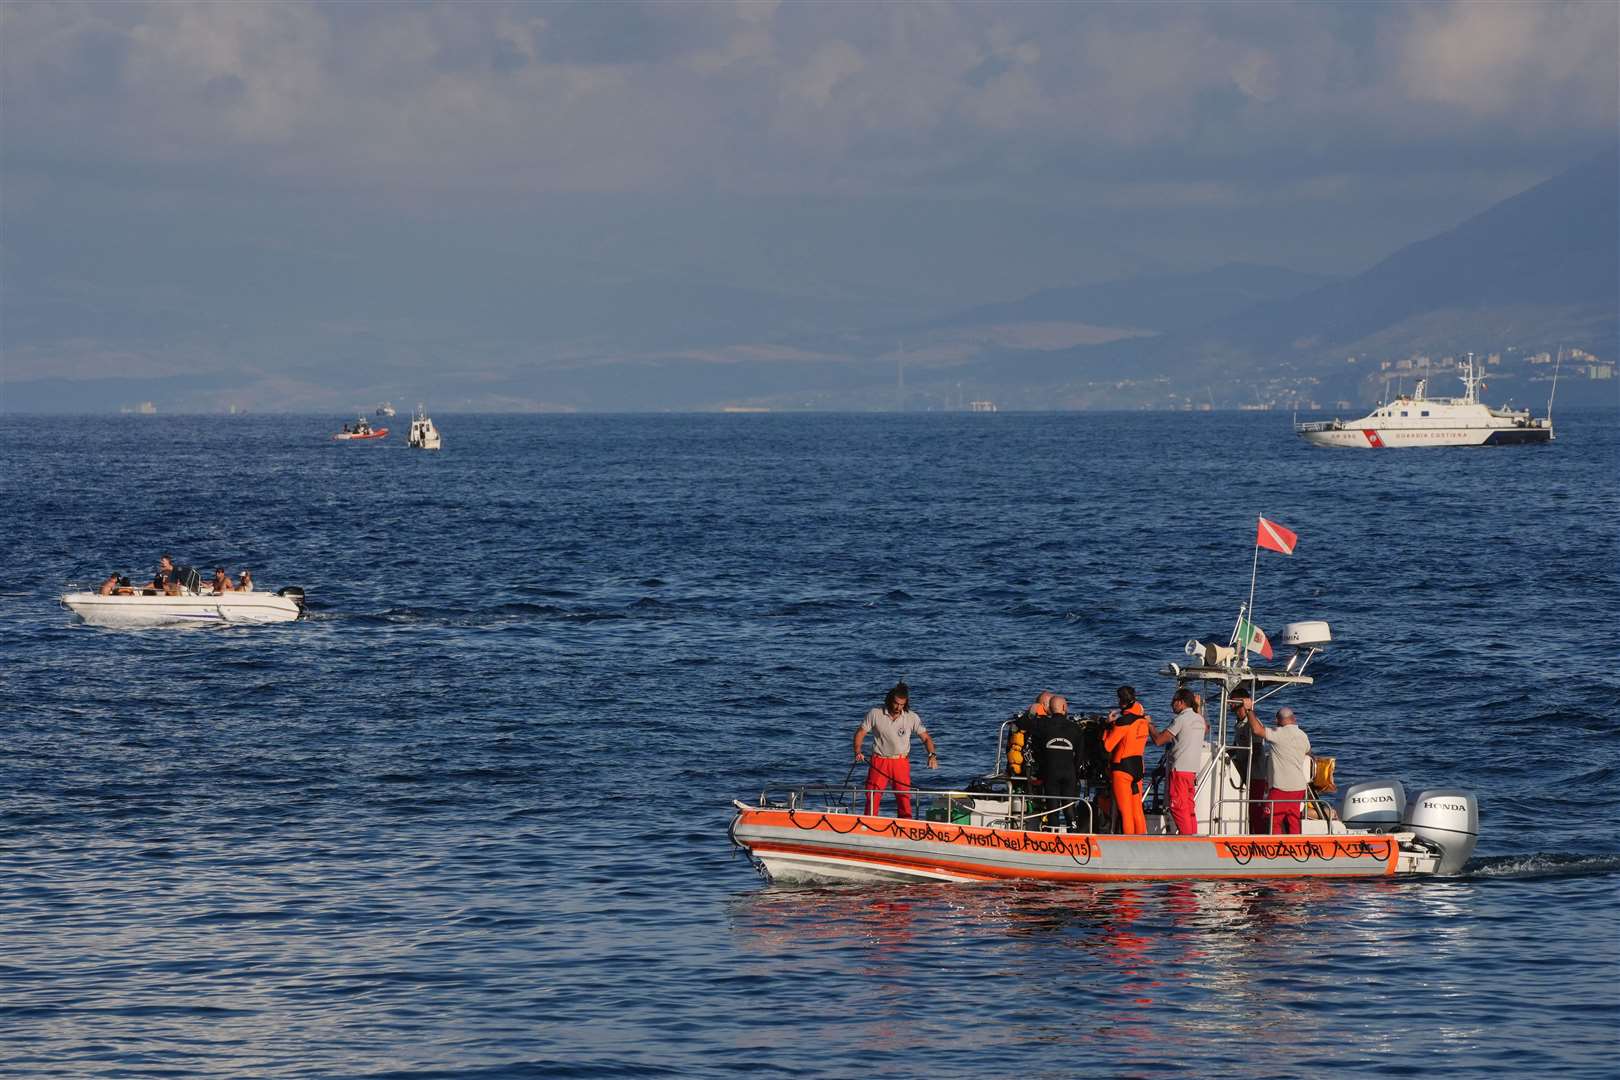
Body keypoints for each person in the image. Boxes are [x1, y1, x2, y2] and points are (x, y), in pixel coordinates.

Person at [852, 682, 938, 818]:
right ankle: (868, 823)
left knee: (904, 796)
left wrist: (932, 755)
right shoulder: (875, 713)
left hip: (900, 762)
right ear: (890, 700)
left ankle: (906, 825)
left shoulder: (912, 717)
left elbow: (926, 738)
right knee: (872, 795)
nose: (898, 707)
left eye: (902, 705)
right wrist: (857, 751)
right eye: (896, 703)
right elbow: (860, 733)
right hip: (879, 761)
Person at [1244, 706, 1312, 834]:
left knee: (1272, 819)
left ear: (1277, 720)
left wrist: (1248, 710)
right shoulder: (1303, 735)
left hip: (1281, 787)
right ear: (1294, 718)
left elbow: (1257, 730)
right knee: (1293, 820)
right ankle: (1295, 849)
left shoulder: (1279, 733)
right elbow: (1308, 751)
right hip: (1299, 787)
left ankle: (1276, 849)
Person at [1148, 688, 1207, 835]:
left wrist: (1149, 724)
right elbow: (1205, 729)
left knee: (1178, 807)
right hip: (1192, 771)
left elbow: (1159, 740)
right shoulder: (1199, 719)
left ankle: (1187, 840)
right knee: (1188, 807)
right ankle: (1193, 837)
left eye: (1173, 701)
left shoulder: (1180, 719)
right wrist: (1198, 708)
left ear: (1181, 702)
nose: (1171, 704)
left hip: (1179, 770)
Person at [1103, 685, 1150, 834]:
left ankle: (1129, 842)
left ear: (1121, 701)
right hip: (1138, 768)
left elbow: (1108, 746)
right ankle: (1143, 840)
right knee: (1137, 810)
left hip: (1122, 768)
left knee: (1126, 812)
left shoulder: (1123, 722)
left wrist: (1108, 725)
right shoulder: (1143, 722)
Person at [1032, 695, 1083, 830]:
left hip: (1050, 771)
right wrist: (1076, 770)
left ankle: (1052, 834)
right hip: (1069, 771)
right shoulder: (1075, 728)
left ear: (1049, 708)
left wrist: (1042, 766)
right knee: (1069, 806)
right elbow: (1080, 754)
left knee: (1052, 807)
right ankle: (1073, 832)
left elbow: (1036, 750)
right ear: (1064, 708)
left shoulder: (1043, 727)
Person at [1228, 686, 1269, 833]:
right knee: (1247, 808)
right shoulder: (1238, 723)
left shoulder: (1253, 723)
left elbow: (1257, 748)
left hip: (1255, 775)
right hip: (1243, 773)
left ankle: (1258, 837)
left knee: (1254, 810)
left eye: (1232, 700)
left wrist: (1248, 768)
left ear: (1241, 701)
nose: (1229, 704)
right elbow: (1236, 745)